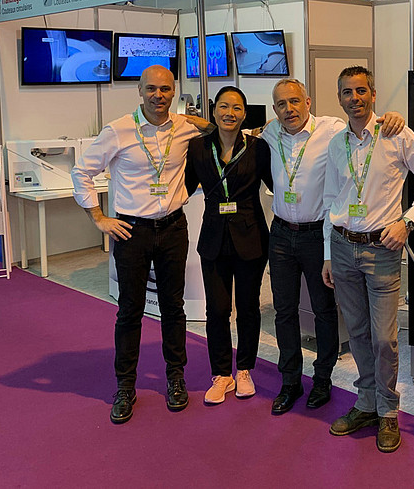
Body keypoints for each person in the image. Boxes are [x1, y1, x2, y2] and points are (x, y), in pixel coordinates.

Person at [72, 65, 212, 424]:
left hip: (173, 228)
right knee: (129, 311)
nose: (158, 96)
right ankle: (125, 386)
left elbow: (215, 130)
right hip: (131, 232)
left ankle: (175, 377)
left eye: (165, 89)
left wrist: (197, 120)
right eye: (151, 89)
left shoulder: (184, 127)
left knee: (173, 309)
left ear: (174, 91)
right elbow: (81, 172)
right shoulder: (117, 130)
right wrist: (98, 217)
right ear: (139, 91)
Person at [260, 78, 404, 415]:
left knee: (324, 311)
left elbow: (364, 123)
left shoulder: (332, 129)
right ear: (275, 110)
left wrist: (393, 116)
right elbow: (233, 128)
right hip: (280, 234)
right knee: (284, 311)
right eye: (281, 104)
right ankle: (290, 381)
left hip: (318, 233)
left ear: (308, 102)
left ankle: (322, 379)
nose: (289, 109)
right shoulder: (270, 132)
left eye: (295, 101)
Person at [322, 66, 414, 453]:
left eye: (361, 91)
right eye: (347, 92)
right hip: (342, 246)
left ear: (373, 94)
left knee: (384, 339)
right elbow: (330, 199)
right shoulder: (336, 144)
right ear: (339, 98)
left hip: (382, 250)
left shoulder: (396, 134)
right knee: (357, 333)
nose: (354, 98)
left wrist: (407, 222)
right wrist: (328, 254)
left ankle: (388, 410)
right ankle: (366, 403)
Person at [185, 86, 273, 405]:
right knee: (218, 310)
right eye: (223, 106)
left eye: (236, 108)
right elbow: (183, 187)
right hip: (213, 238)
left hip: (251, 237)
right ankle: (222, 373)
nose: (229, 113)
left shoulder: (258, 148)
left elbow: (277, 183)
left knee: (248, 308)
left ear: (244, 114)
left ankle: (245, 368)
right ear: (214, 111)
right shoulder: (197, 148)